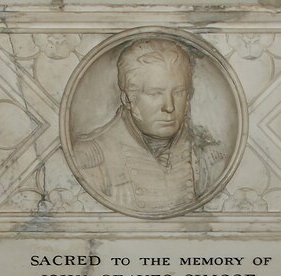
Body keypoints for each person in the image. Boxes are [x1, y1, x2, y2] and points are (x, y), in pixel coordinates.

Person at [73, 38, 225, 215]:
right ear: (128, 99)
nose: (169, 107)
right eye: (155, 93)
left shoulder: (206, 157)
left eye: (178, 92)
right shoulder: (91, 159)